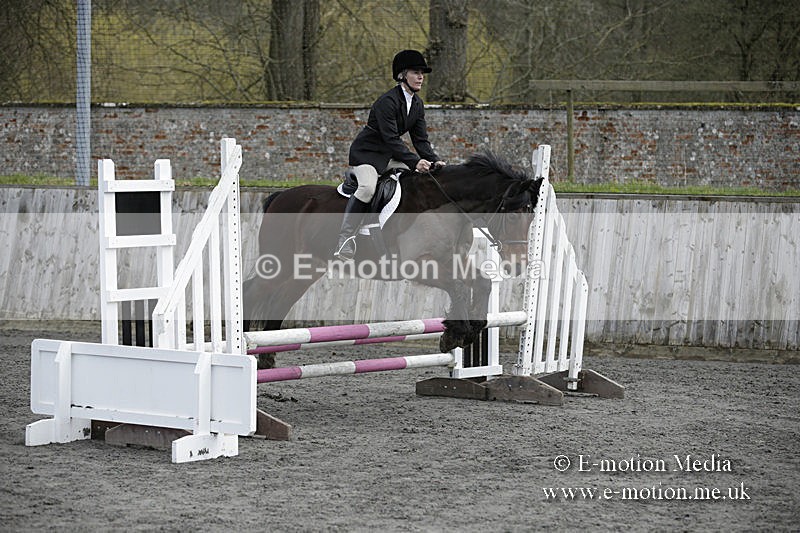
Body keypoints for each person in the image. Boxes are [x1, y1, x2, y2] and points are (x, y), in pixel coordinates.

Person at [334, 49, 445, 260]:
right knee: (367, 188)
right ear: (402, 75)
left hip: (388, 157)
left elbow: (420, 140)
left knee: (415, 181)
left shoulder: (417, 104)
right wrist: (415, 161)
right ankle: (345, 239)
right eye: (415, 72)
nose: (421, 76)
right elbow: (391, 139)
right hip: (367, 156)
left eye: (422, 72)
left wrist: (433, 160)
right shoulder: (387, 102)